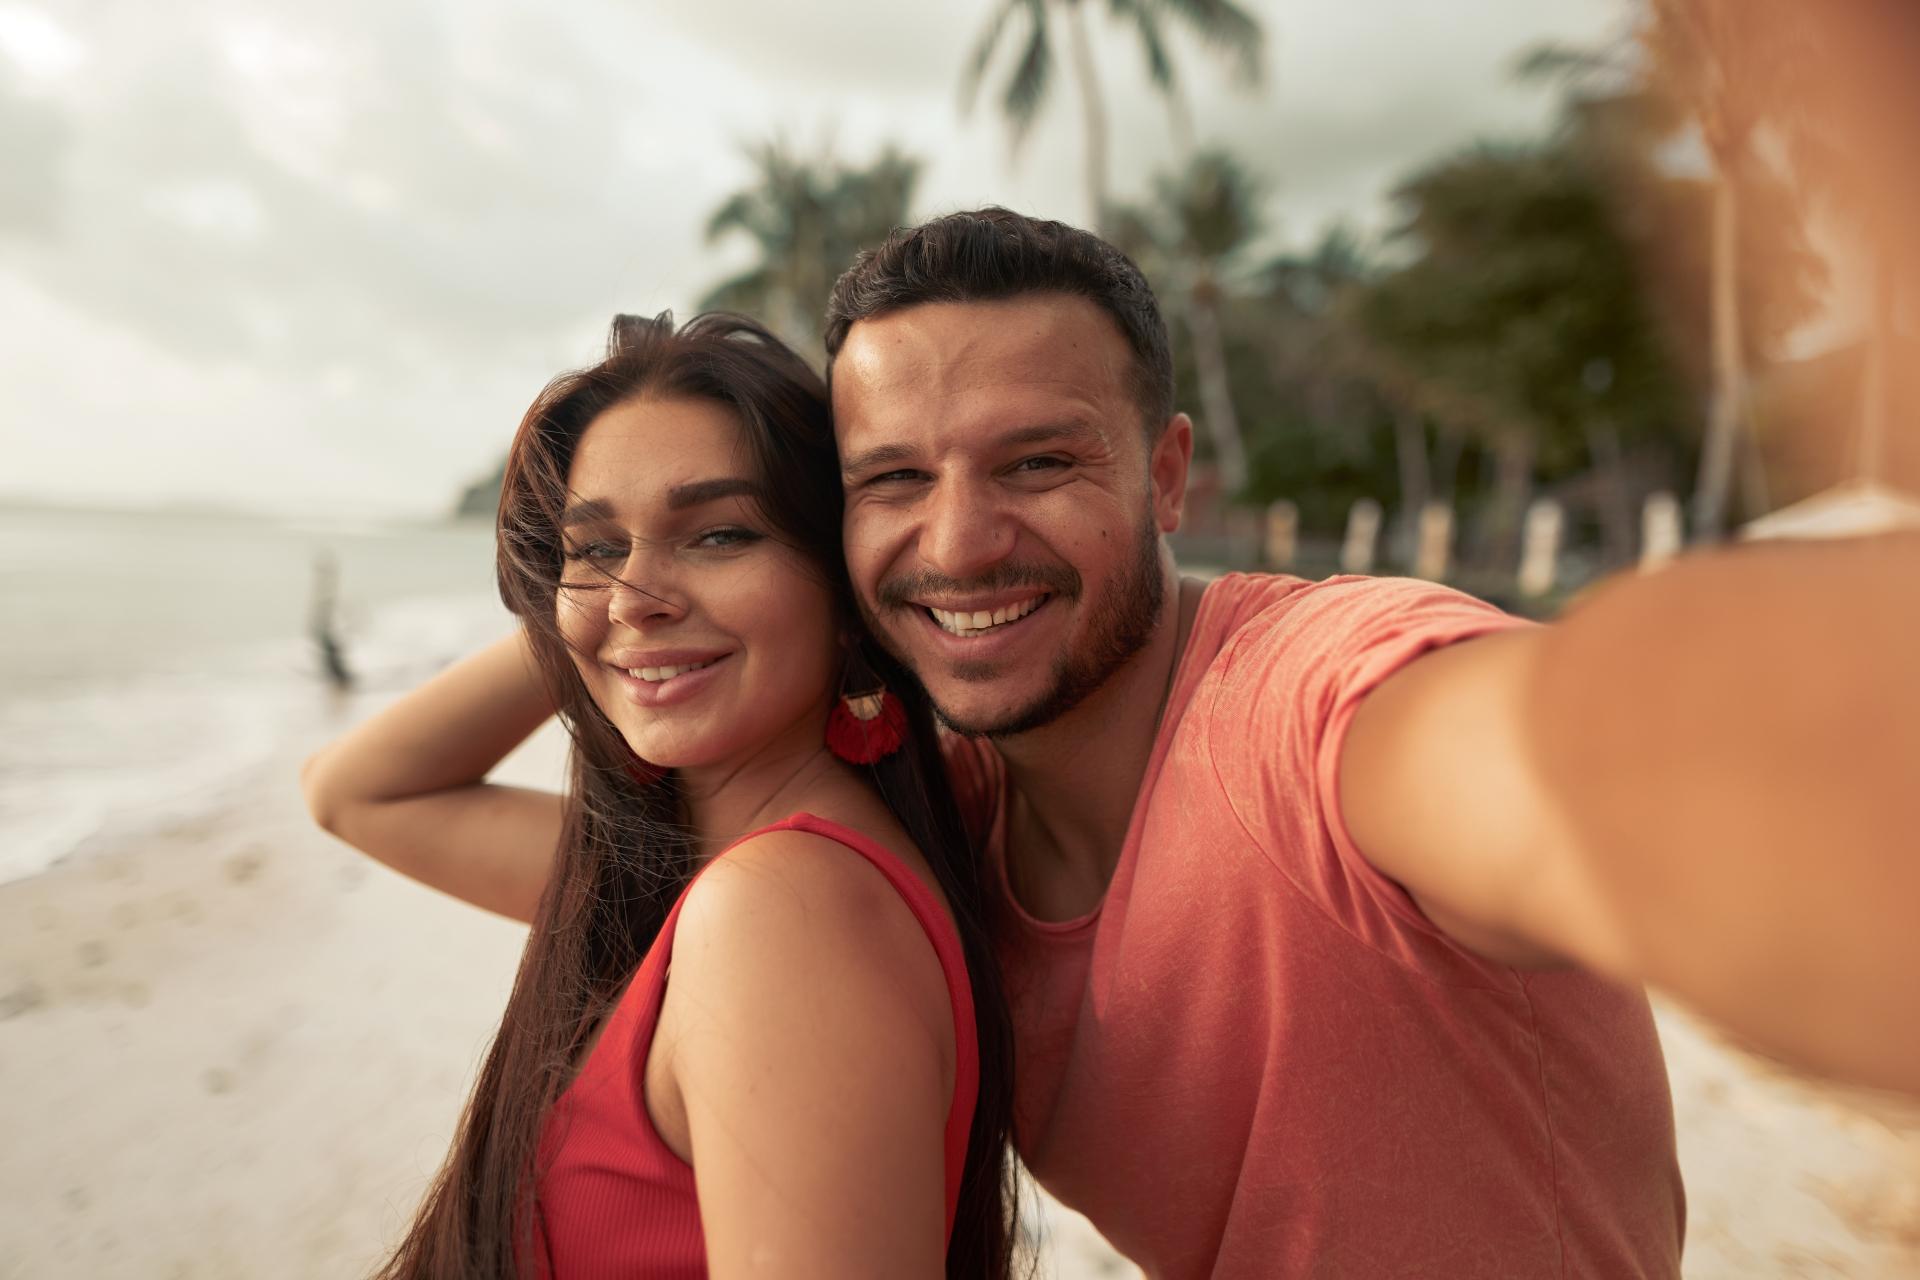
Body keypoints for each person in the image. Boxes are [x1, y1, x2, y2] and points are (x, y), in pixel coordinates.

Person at [343, 212, 1920, 1278]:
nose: (961, 542)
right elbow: (371, 796)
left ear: (1167, 477)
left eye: (1037, 459)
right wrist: (645, 587)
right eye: (893, 481)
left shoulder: (1311, 707)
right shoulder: (932, 823)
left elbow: (1555, 761)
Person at [301, 312, 1017, 1279]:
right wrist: (597, 621)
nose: (637, 591)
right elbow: (355, 791)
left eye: (720, 532)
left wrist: (616, 608)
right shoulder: (687, 874)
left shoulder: (780, 915)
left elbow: (359, 792)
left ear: (845, 589)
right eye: (594, 548)